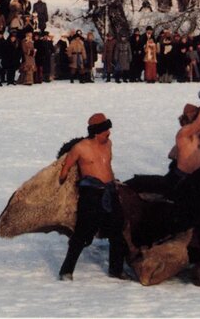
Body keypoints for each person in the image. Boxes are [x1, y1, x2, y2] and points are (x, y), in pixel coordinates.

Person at [57, 113, 127, 281]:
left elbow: (107, 166)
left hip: (110, 192)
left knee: (117, 231)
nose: (109, 133)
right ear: (96, 132)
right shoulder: (80, 148)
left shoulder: (108, 144)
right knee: (82, 234)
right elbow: (64, 170)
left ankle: (116, 270)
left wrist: (114, 182)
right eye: (106, 130)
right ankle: (66, 271)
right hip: (91, 195)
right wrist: (63, 190)